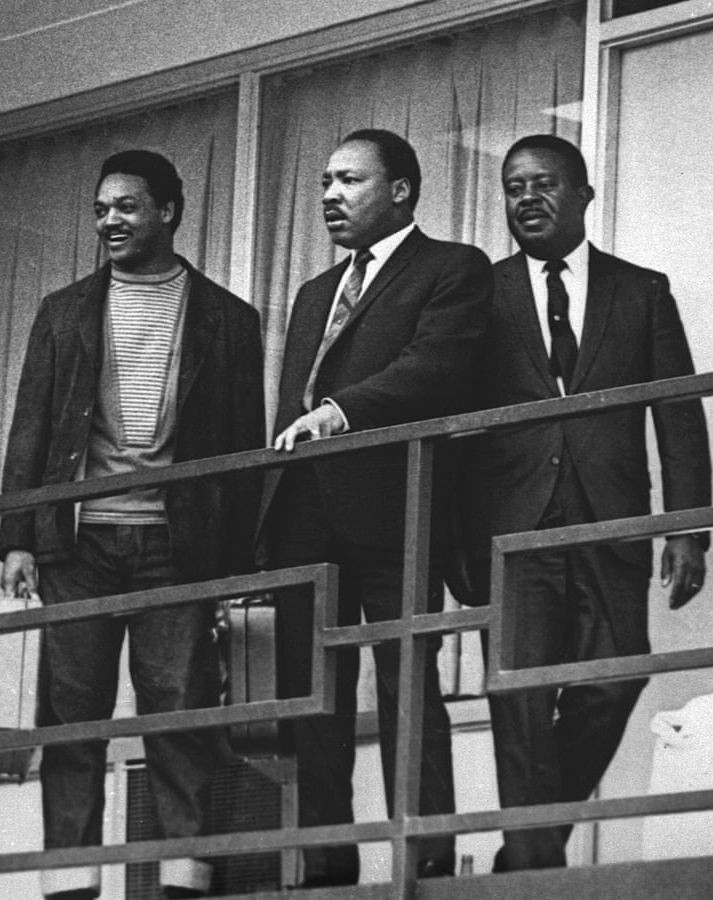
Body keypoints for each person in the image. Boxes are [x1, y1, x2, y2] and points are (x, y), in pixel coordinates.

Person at [0, 150, 265, 900]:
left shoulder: (228, 317)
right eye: (100, 209)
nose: (110, 221)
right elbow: (31, 427)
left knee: (179, 711)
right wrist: (17, 536)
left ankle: (184, 878)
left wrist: (238, 561)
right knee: (70, 715)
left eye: (126, 207)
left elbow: (243, 444)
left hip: (178, 547)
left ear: (169, 212)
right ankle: (70, 884)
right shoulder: (62, 310)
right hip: (77, 545)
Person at [457, 134, 711, 872]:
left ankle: (526, 851)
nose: (526, 198)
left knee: (618, 674)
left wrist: (687, 528)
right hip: (512, 530)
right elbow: (455, 428)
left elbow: (678, 412)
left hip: (612, 519)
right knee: (520, 698)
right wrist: (456, 549)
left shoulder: (642, 291)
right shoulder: (482, 294)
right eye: (513, 187)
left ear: (584, 195)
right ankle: (534, 871)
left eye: (543, 184)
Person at [258, 129, 491, 886]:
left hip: (400, 510)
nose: (329, 195)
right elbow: (286, 412)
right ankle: (325, 865)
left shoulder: (452, 268)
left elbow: (435, 368)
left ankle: (423, 861)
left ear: (400, 190)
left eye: (349, 180)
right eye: (324, 180)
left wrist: (338, 412)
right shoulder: (312, 293)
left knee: (407, 691)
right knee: (312, 701)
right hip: (305, 517)